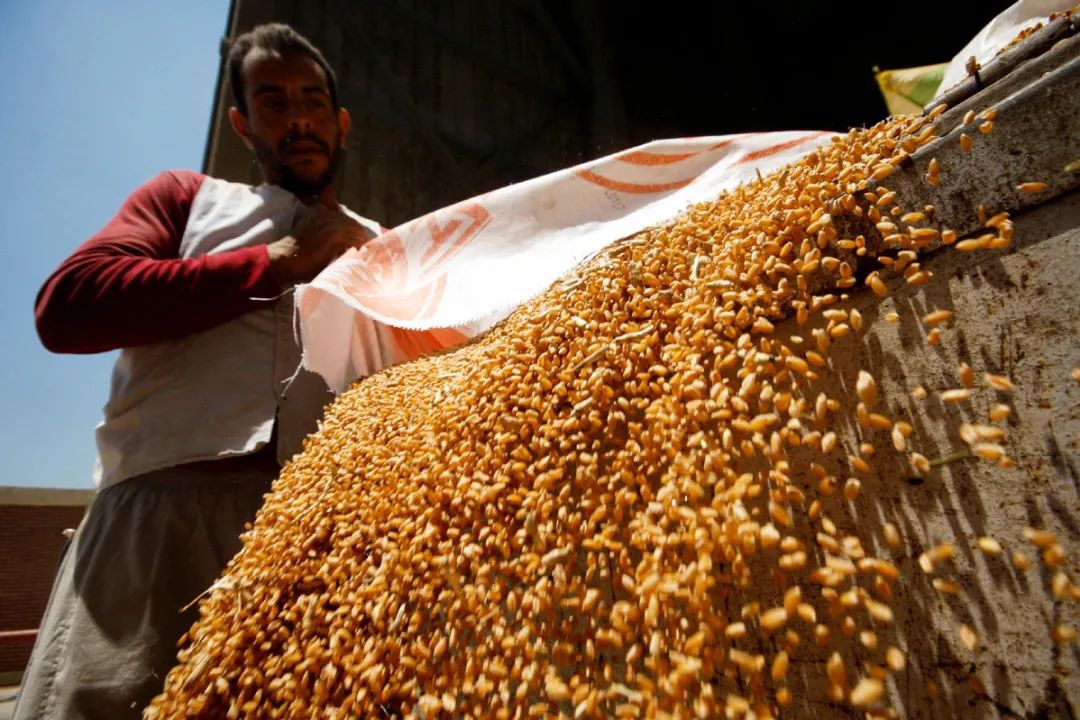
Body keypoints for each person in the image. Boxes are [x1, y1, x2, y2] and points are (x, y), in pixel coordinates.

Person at [15, 23, 379, 720]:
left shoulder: (386, 244)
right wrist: (278, 260)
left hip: (317, 541)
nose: (296, 118)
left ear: (340, 122)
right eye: (272, 102)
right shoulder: (189, 200)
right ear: (242, 123)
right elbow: (67, 307)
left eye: (311, 100)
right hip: (158, 524)